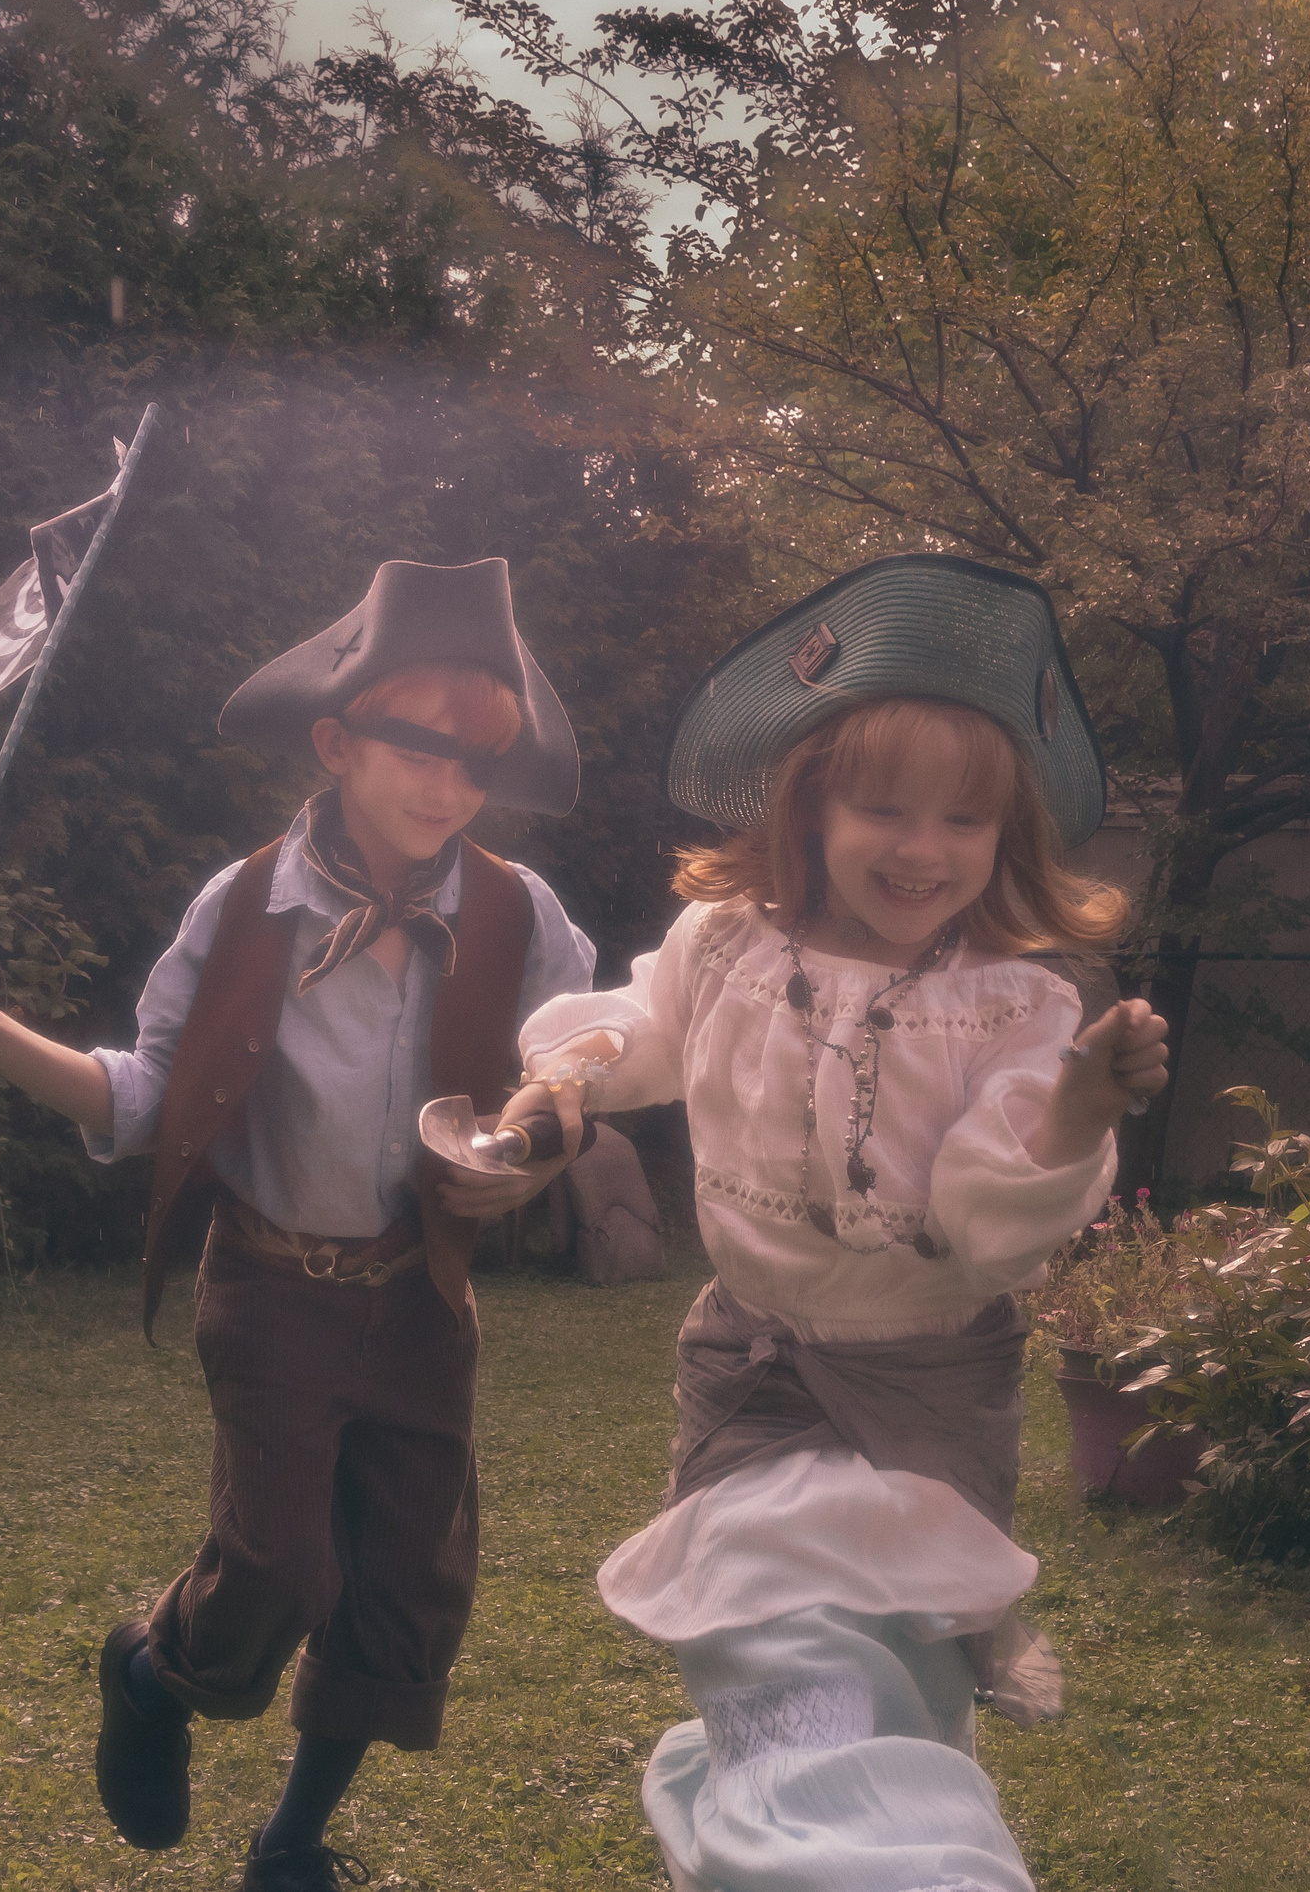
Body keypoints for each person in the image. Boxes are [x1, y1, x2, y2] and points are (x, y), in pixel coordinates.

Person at [0, 558, 595, 1892]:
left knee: (405, 1581)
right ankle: (155, 1673)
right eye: (419, 743)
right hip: (273, 1283)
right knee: (280, 1563)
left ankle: (290, 1843)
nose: (447, 783)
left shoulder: (516, 910)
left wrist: (541, 1143)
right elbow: (147, 1096)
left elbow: (579, 1058)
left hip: (421, 1292)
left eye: (478, 758)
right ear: (336, 740)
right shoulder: (246, 905)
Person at [487, 554, 1171, 1892]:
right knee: (785, 1649)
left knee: (901, 1695)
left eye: (963, 823)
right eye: (883, 806)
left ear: (1005, 838)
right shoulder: (729, 940)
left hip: (932, 1397)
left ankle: (753, 1822)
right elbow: (643, 1027)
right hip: (754, 1378)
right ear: (809, 805)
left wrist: (1082, 1103)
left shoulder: (1015, 1010)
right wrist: (564, 1075)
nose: (923, 848)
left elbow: (984, 1221)